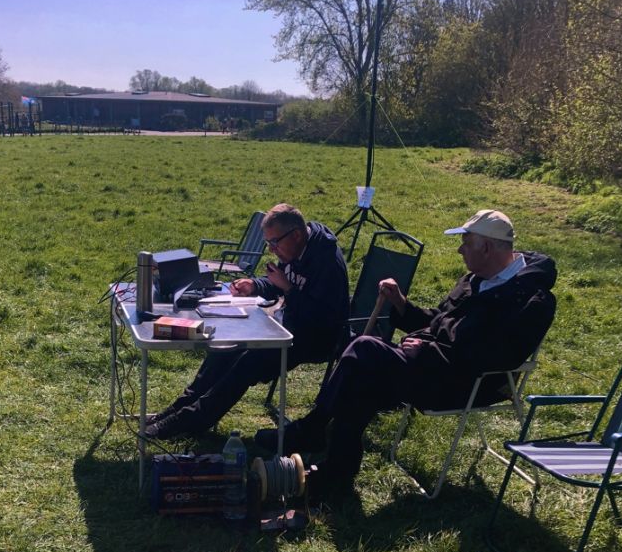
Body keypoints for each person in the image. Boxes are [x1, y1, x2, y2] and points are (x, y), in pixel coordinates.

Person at [256, 209, 557, 499]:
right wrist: (401, 303)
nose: (460, 250)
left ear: (487, 248)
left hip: (465, 383)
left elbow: (495, 356)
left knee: (365, 348)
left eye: (466, 243)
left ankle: (312, 430)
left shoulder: (530, 299)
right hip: (429, 367)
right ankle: (335, 470)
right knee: (361, 377)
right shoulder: (476, 279)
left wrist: (429, 349)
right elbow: (438, 321)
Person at [144, 203, 350, 439]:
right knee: (226, 347)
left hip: (317, 338)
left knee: (248, 362)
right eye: (268, 243)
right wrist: (255, 285)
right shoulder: (294, 248)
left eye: (275, 242)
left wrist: (289, 290)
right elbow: (277, 282)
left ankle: (188, 421)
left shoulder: (327, 262)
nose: (272, 250)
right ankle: (181, 407)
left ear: (296, 234)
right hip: (286, 326)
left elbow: (324, 317)